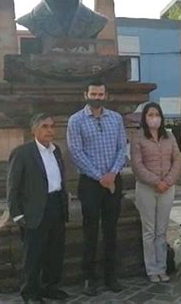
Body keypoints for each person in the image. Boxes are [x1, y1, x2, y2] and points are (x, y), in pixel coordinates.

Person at [67, 80, 126, 295]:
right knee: (90, 231)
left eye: (101, 94)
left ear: (105, 95)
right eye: (94, 93)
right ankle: (88, 278)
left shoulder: (116, 118)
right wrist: (99, 176)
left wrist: (112, 173)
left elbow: (122, 147)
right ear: (86, 94)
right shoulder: (76, 120)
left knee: (111, 230)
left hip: (113, 181)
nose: (97, 97)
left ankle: (111, 275)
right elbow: (76, 152)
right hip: (91, 183)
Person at [7, 113, 69, 303]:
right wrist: (16, 214)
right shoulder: (23, 153)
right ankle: (30, 293)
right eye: (44, 126)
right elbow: (13, 186)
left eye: (51, 126)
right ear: (34, 130)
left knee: (54, 251)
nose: (49, 130)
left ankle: (50, 286)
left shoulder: (56, 150)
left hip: (56, 205)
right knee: (33, 254)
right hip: (34, 210)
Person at [131, 102, 181, 283]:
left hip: (167, 188)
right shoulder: (138, 137)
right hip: (147, 188)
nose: (154, 118)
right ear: (145, 118)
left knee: (162, 230)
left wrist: (167, 181)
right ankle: (152, 269)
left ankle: (162, 268)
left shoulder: (169, 136)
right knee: (149, 230)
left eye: (157, 114)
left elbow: (177, 160)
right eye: (150, 115)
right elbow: (137, 165)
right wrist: (155, 181)